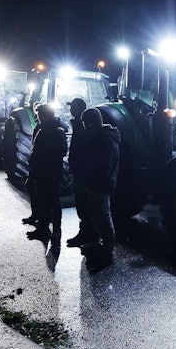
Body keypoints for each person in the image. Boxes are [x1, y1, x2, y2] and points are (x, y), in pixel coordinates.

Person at [74, 107, 120, 272]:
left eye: (86, 124)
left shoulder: (104, 140)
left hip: (100, 185)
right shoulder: (102, 138)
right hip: (97, 184)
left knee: (104, 218)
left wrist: (91, 177)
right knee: (100, 217)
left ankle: (107, 254)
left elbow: (102, 166)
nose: (85, 127)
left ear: (91, 123)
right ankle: (103, 249)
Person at [26, 103, 67, 242]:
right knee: (47, 200)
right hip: (51, 171)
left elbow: (38, 154)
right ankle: (45, 229)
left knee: (52, 201)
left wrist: (34, 172)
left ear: (46, 115)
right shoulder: (50, 130)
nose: (38, 117)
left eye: (40, 115)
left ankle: (52, 230)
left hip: (48, 171)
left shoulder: (51, 131)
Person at [65, 98, 97, 248]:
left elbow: (81, 150)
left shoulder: (82, 128)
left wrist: (76, 167)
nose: (70, 109)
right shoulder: (80, 126)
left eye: (72, 107)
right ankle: (86, 233)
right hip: (79, 170)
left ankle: (89, 235)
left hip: (82, 172)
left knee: (84, 204)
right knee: (82, 204)